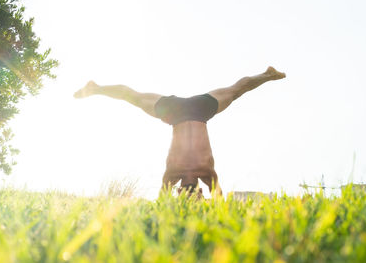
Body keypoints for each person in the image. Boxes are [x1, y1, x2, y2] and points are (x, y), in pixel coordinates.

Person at [74, 66, 286, 197]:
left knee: (134, 97)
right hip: (196, 111)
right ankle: (267, 74)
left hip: (176, 113)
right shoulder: (204, 174)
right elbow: (220, 202)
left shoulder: (175, 175)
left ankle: (96, 88)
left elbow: (163, 202)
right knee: (235, 90)